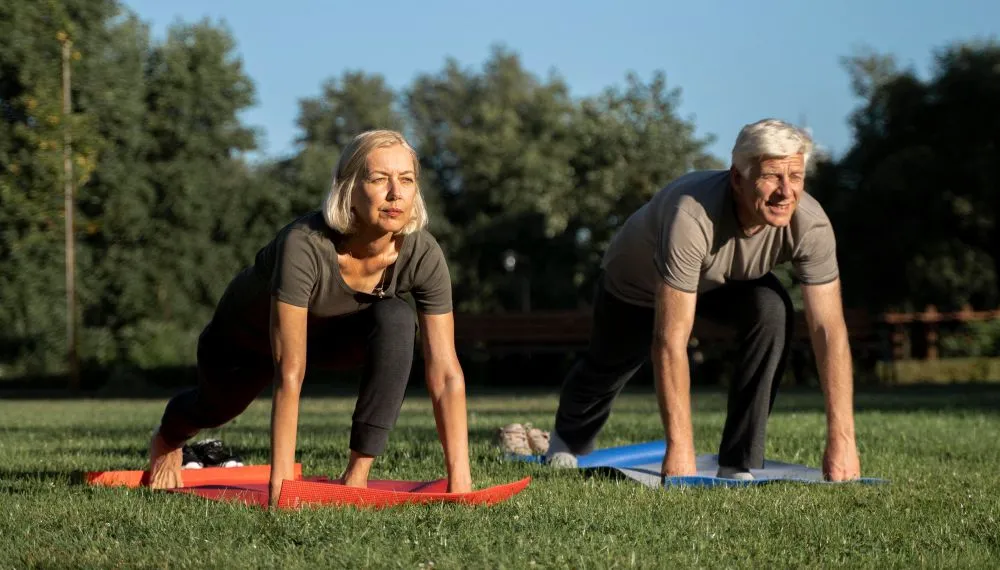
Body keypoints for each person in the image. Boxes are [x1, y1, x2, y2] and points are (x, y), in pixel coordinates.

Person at [147, 130, 472, 505]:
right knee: (216, 407)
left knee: (397, 317)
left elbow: (446, 373)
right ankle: (168, 437)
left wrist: (460, 484)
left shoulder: (422, 254)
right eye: (379, 179)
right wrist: (282, 490)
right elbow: (290, 370)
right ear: (348, 189)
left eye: (407, 180)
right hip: (246, 343)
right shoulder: (304, 244)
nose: (395, 193)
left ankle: (357, 475)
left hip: (332, 341)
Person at [545, 119, 861, 481]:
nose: (786, 192)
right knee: (609, 365)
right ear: (737, 179)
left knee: (772, 309)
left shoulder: (811, 223)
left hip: (722, 281)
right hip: (638, 284)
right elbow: (670, 342)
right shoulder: (692, 215)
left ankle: (738, 461)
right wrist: (680, 450)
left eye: (796, 177)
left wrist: (843, 439)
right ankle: (567, 439)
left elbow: (829, 332)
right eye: (772, 176)